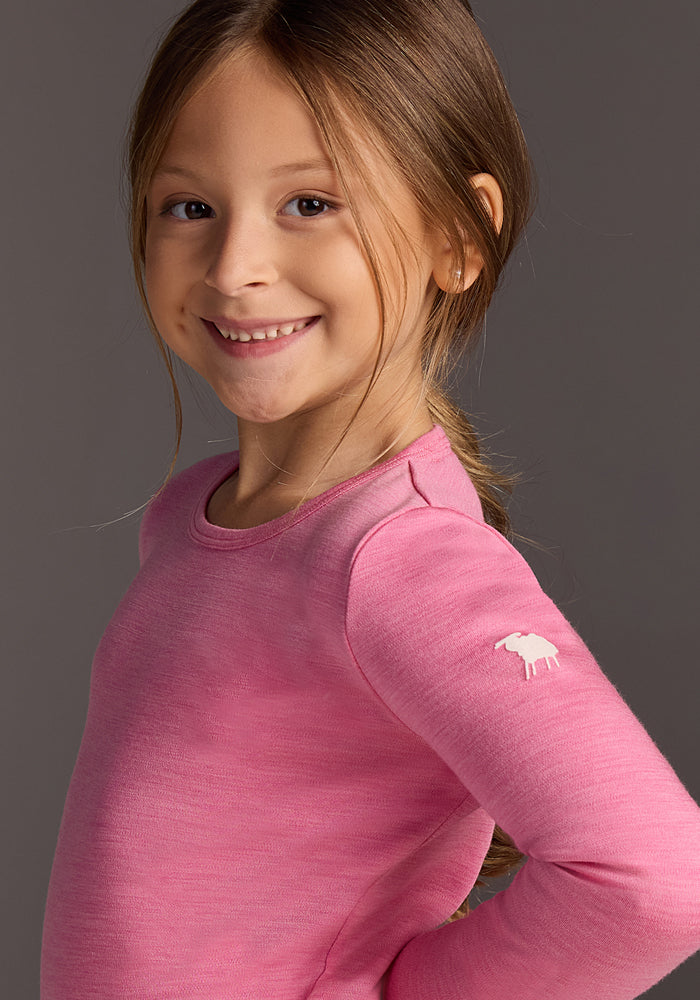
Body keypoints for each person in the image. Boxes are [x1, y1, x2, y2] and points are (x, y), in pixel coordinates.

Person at [40, 1, 700, 998]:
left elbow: (656, 880)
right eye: (190, 206)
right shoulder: (193, 514)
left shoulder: (399, 559)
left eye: (310, 203)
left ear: (458, 236)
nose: (235, 267)